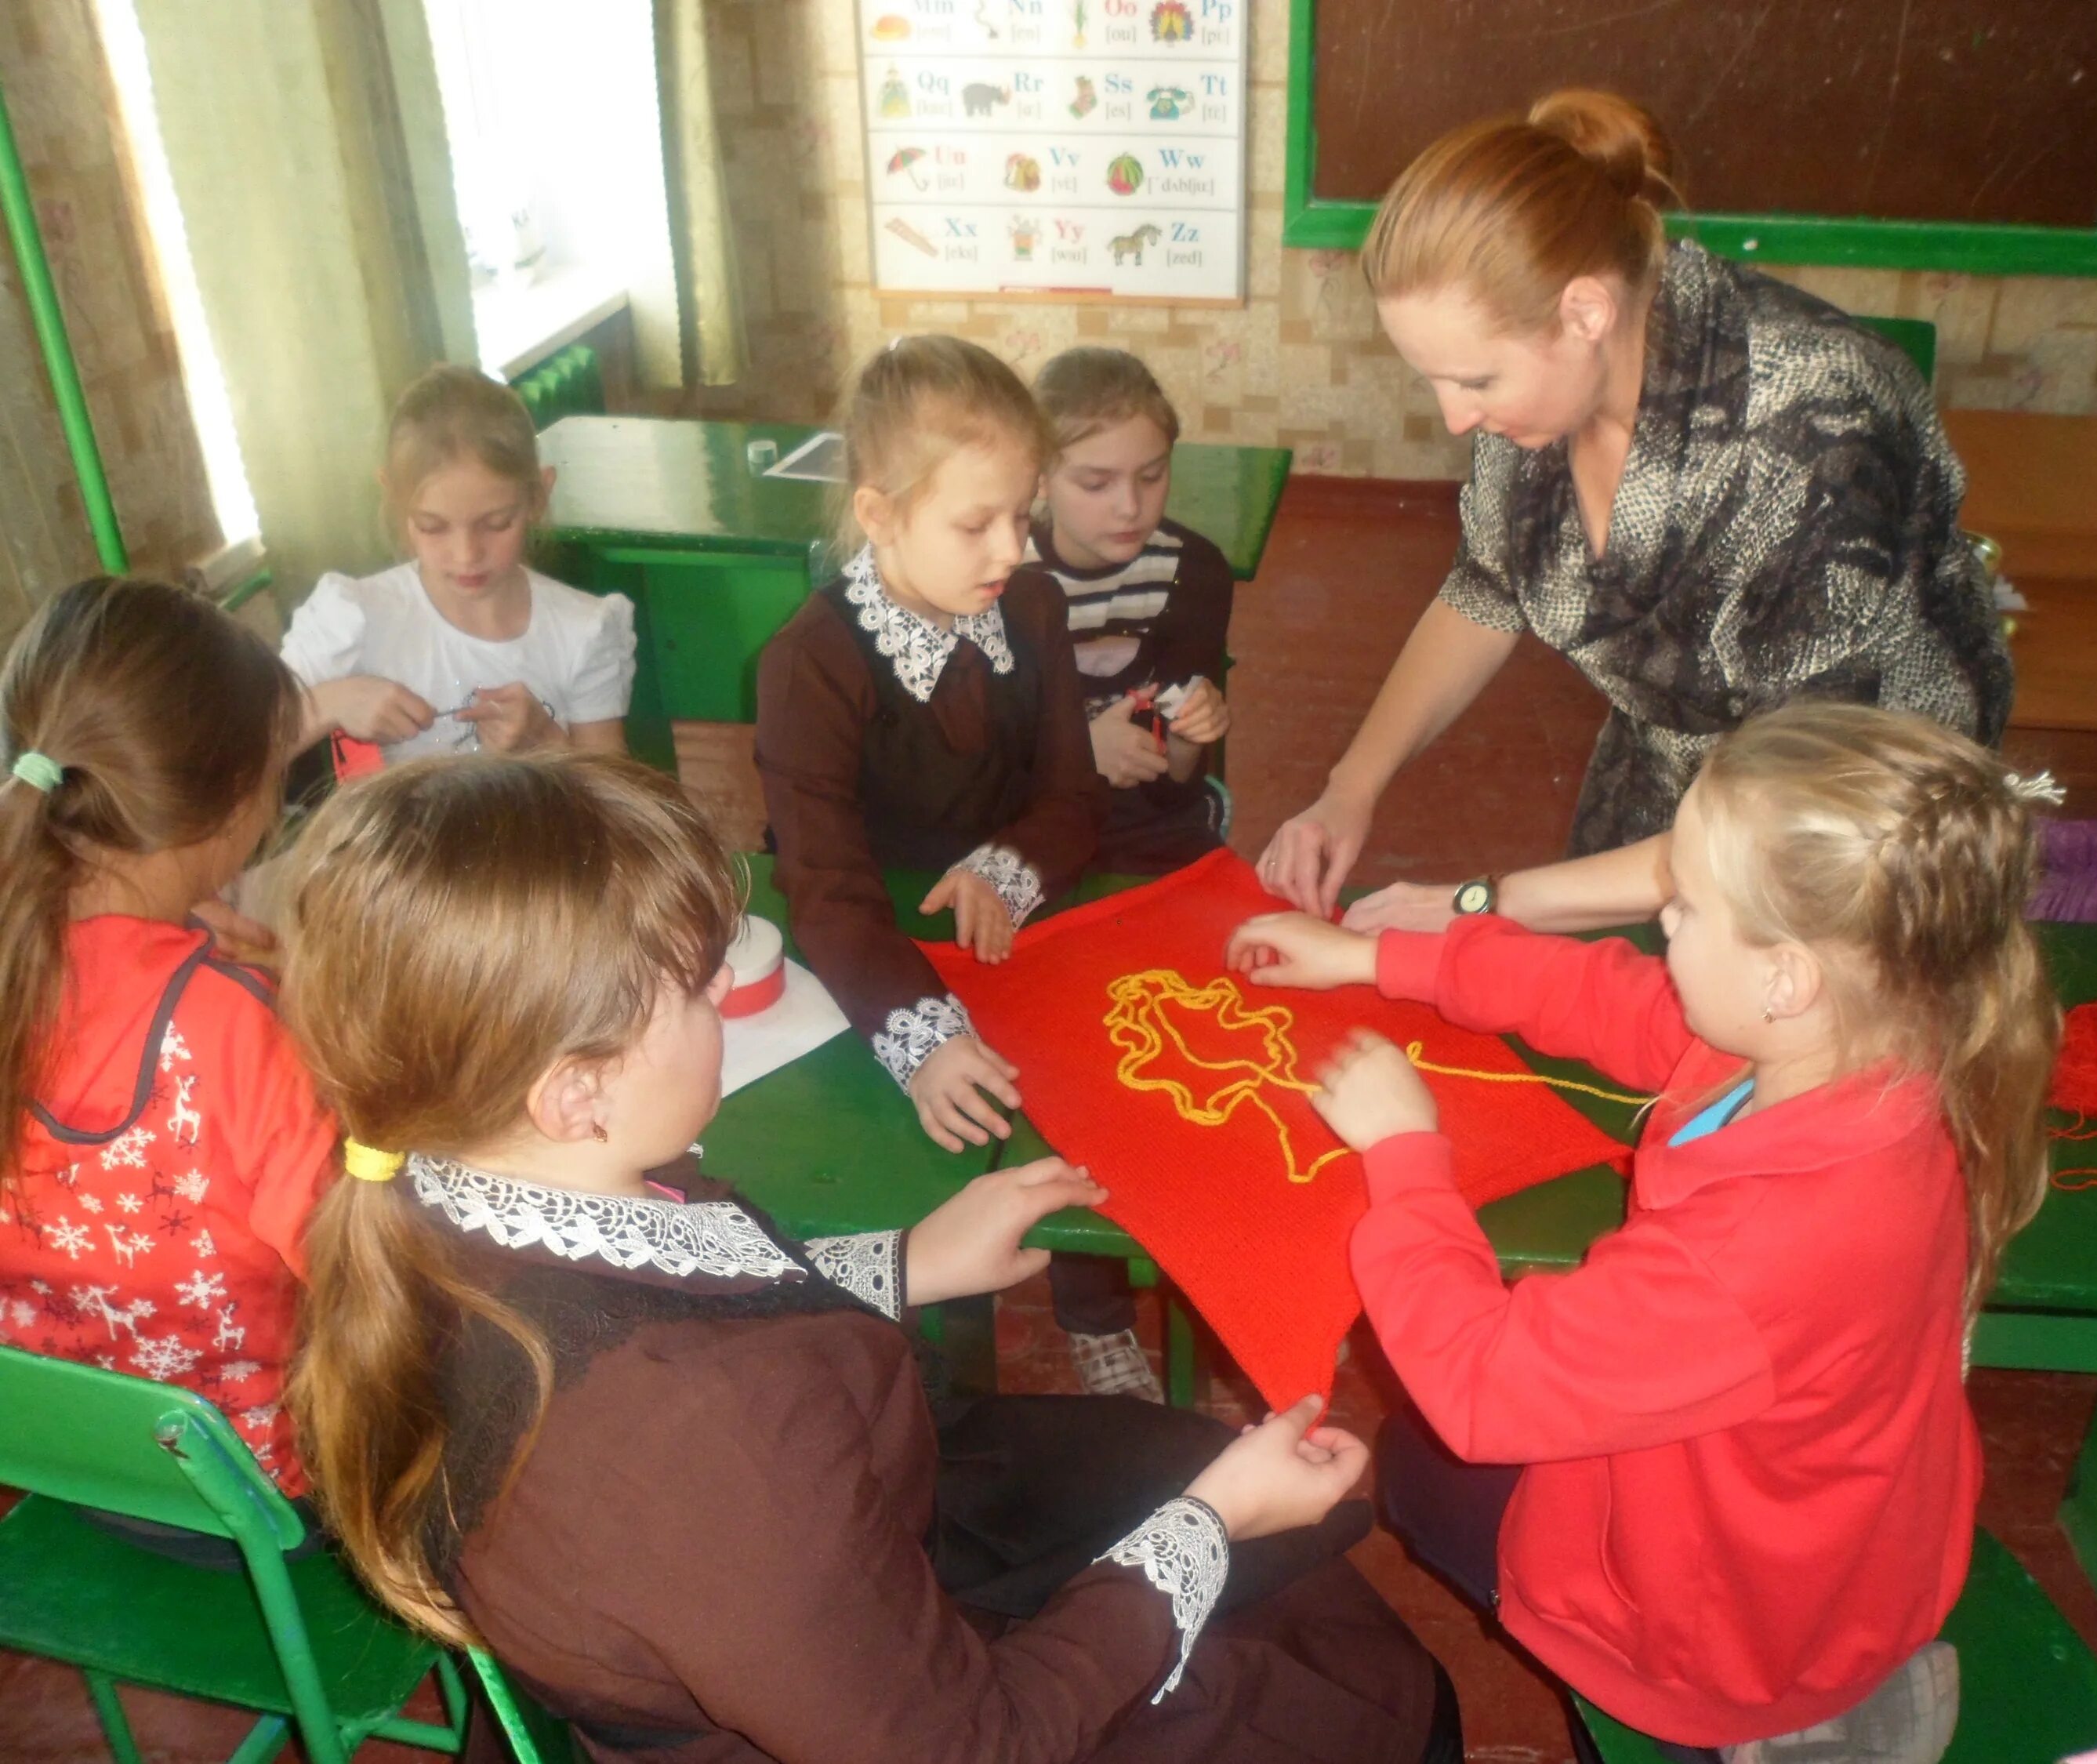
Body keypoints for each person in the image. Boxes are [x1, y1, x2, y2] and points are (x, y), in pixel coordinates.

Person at [277, 751, 1453, 1764]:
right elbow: (969, 1742)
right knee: (1361, 1694)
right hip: (913, 1698)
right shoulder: (702, 1436)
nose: (724, 992)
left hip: (809, 1590)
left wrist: (906, 1261)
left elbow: (659, 1297)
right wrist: (1212, 1518)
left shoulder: (430, 1188)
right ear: (575, 1088)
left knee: (1196, 1497)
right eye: (696, 989)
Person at [1229, 703, 2064, 1762]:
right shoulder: (1870, 1044)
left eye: (1690, 907)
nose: (1660, 921)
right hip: (1836, 1534)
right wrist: (1381, 958)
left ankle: (1783, 1727)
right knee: (1433, 1468)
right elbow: (1616, 1000)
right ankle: (1840, 1683)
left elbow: (1482, 1385)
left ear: (1786, 974)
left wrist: (1404, 1150)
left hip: (1719, 1628)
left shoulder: (1765, 1243)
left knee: (1420, 1470)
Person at [1258, 88, 2013, 934]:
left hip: (1855, 828)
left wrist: (1481, 903)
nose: (1455, 418)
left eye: (1474, 380)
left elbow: (1797, 801)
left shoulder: (1816, 429)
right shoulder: (1541, 396)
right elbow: (1487, 589)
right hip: (1671, 785)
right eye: (1434, 378)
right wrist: (1347, 791)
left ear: (1585, 311)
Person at [758, 338, 1161, 1396]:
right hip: (870, 954)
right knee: (924, 1139)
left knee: (1076, 1103)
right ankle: (932, 1355)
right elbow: (825, 886)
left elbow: (1074, 798)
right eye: (974, 522)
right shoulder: (810, 661)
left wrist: (1008, 863)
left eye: (1021, 514)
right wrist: (921, 1035)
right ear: (880, 515)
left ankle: (1091, 1298)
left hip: (1019, 921)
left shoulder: (1030, 605)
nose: (1012, 547)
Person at [0, 577, 337, 1501]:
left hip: (58, 1467)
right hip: (257, 1497)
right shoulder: (234, 1025)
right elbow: (359, 1274)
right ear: (235, 802)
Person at [281, 363, 636, 764]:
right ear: (396, 502)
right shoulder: (353, 618)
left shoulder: (583, 632)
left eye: (496, 523)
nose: (467, 554)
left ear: (538, 496)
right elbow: (243, 754)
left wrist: (547, 741)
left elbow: (615, 800)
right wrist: (330, 702)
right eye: (433, 527)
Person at [1030, 347, 1235, 874]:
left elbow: (1170, 784)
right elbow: (968, 759)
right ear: (1038, 478)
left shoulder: (1192, 571)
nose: (1129, 507)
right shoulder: (1001, 574)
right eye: (1096, 484)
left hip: (1143, 825)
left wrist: (1187, 740)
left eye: (1151, 475)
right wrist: (1078, 755)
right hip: (1023, 816)